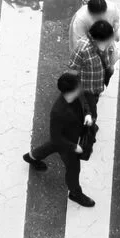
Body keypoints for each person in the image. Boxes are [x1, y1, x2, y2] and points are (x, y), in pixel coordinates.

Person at [23, 71, 96, 206]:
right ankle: (75, 193)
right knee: (73, 169)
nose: (81, 88)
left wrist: (87, 114)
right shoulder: (58, 113)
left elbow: (84, 101)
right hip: (68, 143)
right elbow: (56, 138)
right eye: (78, 87)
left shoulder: (75, 93)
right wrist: (74, 147)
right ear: (70, 91)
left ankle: (31, 157)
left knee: (52, 146)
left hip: (73, 134)